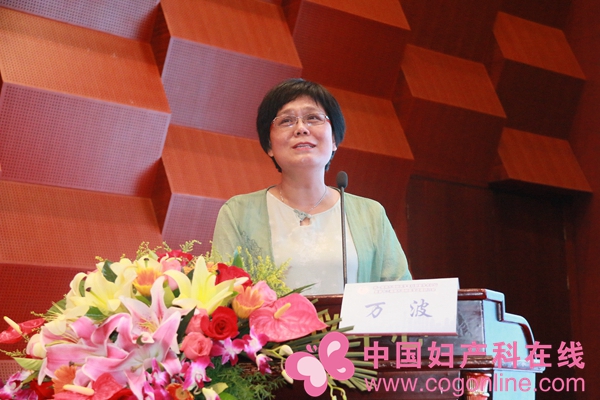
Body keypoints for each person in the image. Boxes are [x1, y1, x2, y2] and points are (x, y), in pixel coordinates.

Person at [212, 78, 411, 294]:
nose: (301, 128)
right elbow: (223, 295)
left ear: (334, 139)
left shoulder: (371, 214)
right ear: (269, 145)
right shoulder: (238, 213)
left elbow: (401, 294)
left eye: (313, 118)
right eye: (286, 121)